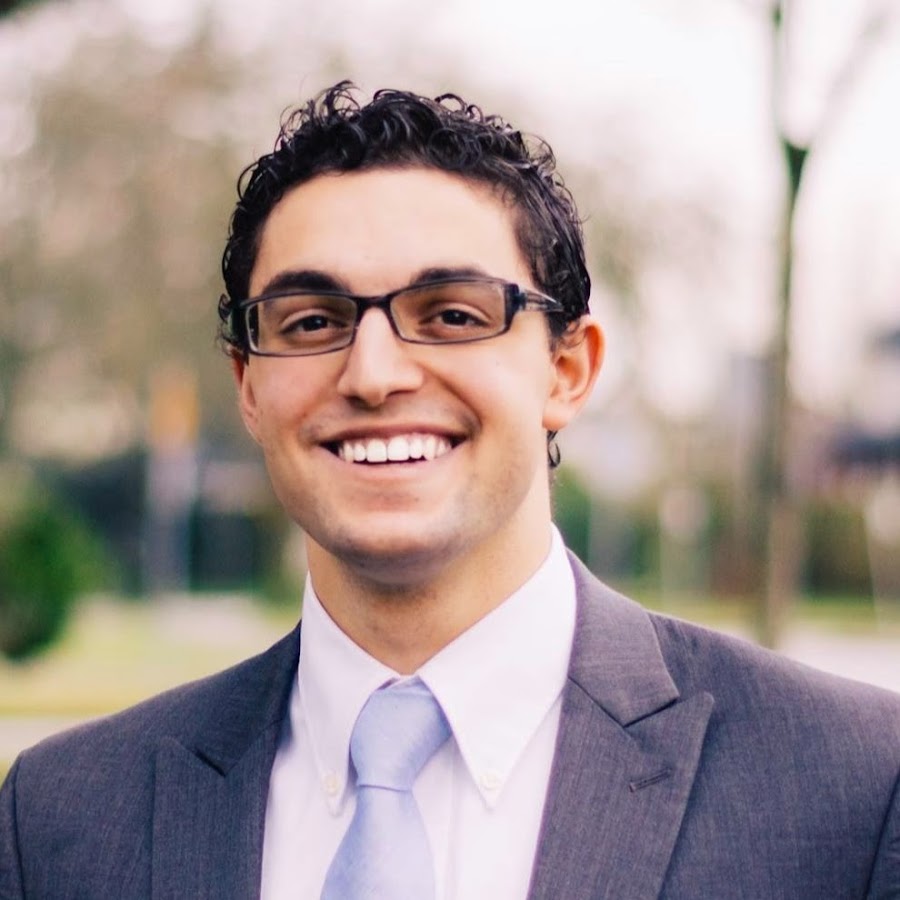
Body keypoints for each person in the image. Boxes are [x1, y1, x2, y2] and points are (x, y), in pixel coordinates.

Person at [1, 81, 898, 900]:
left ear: (568, 370)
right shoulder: (60, 821)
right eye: (311, 321)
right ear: (247, 386)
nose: (374, 373)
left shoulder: (853, 788)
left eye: (453, 315)